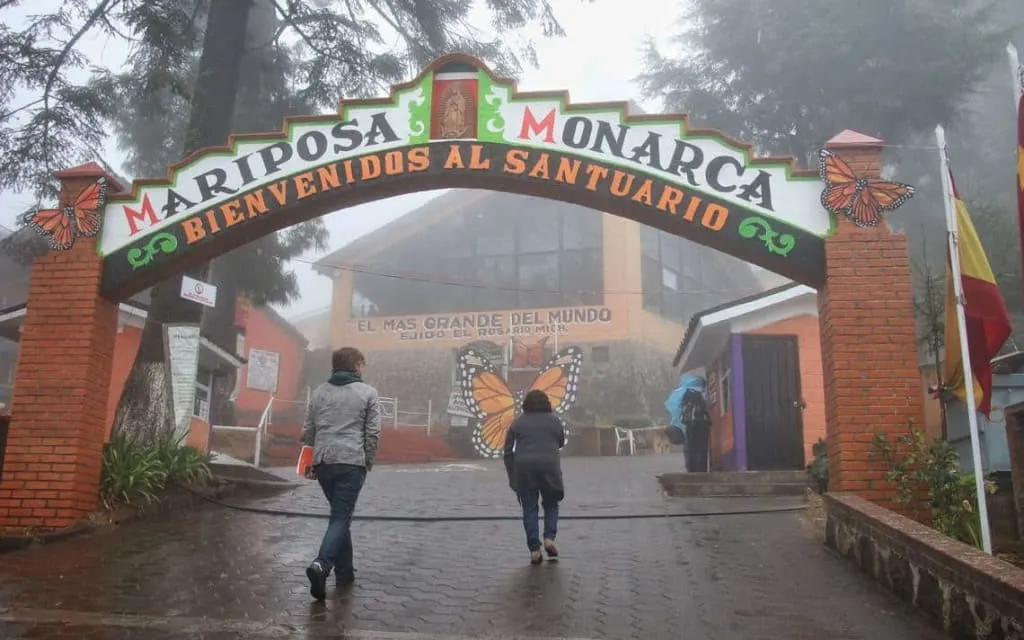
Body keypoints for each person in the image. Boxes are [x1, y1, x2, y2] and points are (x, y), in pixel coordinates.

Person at [301, 346, 381, 601]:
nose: (363, 368)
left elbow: (308, 431)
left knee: (340, 515)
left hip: (324, 462)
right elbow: (373, 433)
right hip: (350, 462)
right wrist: (367, 460)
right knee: (340, 517)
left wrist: (311, 460)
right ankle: (322, 565)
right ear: (356, 365)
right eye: (362, 364)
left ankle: (344, 574)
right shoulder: (368, 393)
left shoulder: (319, 393)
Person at [503, 390, 565, 565]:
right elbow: (560, 441)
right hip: (549, 466)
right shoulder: (554, 420)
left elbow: (508, 451)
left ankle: (534, 550)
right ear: (546, 403)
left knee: (529, 508)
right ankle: (549, 538)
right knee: (551, 503)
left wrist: (512, 475)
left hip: (525, 468)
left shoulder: (517, 423)